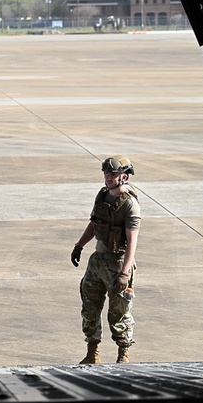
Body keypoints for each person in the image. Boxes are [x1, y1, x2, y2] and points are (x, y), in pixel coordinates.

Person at [71, 156, 141, 364]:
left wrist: (124, 273)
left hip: (118, 263)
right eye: (106, 173)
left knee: (119, 313)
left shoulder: (130, 205)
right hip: (98, 261)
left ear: (124, 177)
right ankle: (93, 354)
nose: (108, 177)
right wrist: (79, 245)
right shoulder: (102, 196)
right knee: (90, 306)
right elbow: (94, 225)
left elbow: (132, 242)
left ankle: (123, 356)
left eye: (113, 174)